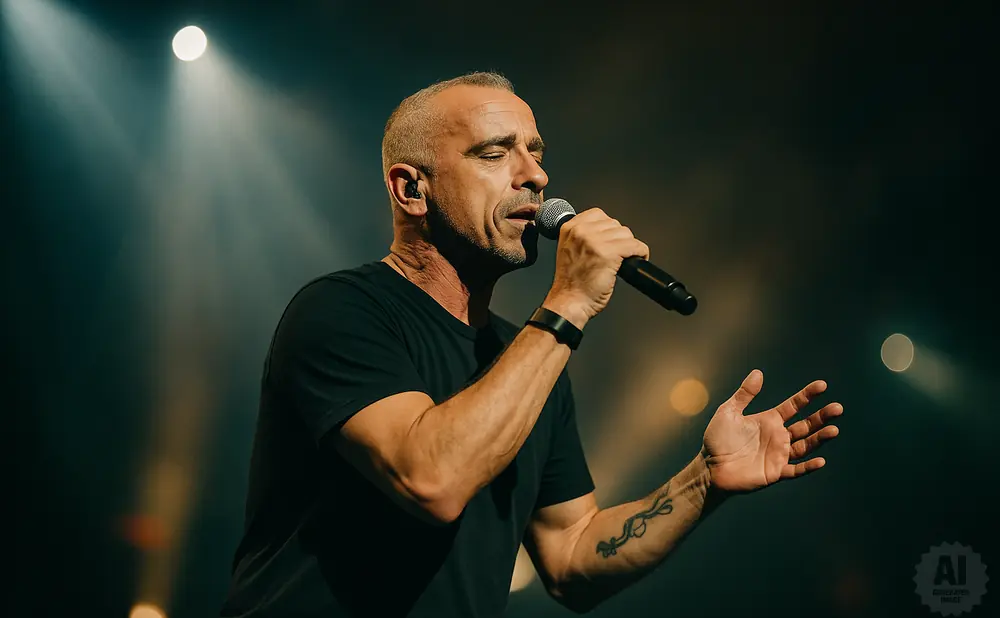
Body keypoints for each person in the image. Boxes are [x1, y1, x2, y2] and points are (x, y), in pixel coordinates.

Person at [220, 71, 843, 618]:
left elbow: (572, 558)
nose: (537, 175)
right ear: (411, 189)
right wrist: (568, 301)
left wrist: (702, 482)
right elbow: (430, 479)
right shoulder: (341, 311)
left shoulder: (532, 354)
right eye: (496, 153)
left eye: (535, 151)